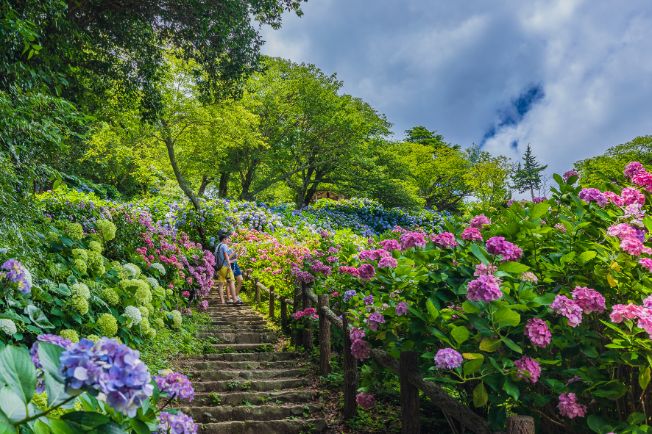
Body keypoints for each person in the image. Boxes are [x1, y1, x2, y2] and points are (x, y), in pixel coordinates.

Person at [214, 232, 238, 304]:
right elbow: (226, 255)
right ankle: (235, 299)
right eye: (227, 239)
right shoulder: (224, 246)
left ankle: (222, 301)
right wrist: (229, 265)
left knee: (221, 284)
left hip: (219, 267)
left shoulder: (217, 246)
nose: (228, 240)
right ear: (224, 239)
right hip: (225, 267)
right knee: (232, 281)